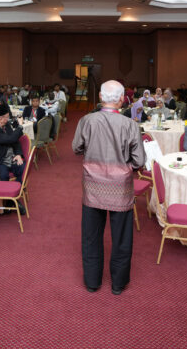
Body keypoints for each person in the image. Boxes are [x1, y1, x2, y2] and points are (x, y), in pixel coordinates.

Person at [72, 80, 145, 295]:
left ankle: (92, 281)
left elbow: (76, 148)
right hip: (120, 187)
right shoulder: (130, 125)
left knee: (91, 236)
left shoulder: (87, 121)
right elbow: (139, 160)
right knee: (122, 238)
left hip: (93, 186)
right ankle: (118, 283)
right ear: (122, 99)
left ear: (101, 97)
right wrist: (124, 164)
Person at [0, 104, 25, 185]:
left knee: (24, 168)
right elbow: (11, 138)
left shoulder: (6, 125)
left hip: (12, 158)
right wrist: (20, 126)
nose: (8, 119)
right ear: (1, 118)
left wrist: (18, 154)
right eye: (7, 117)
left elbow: (15, 140)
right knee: (3, 176)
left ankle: (17, 189)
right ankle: (6, 192)